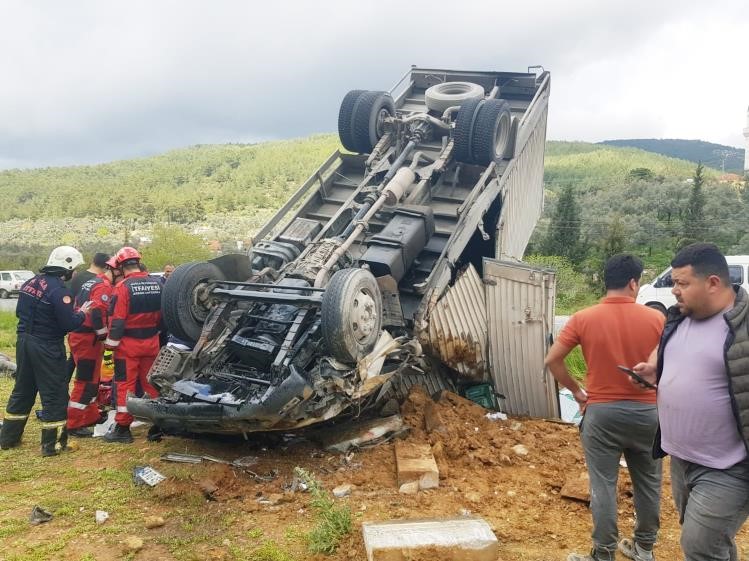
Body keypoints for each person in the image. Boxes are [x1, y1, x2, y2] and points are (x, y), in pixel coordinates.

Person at [545, 254, 665, 561]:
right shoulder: (657, 320)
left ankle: (603, 554)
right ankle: (644, 548)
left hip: (602, 414)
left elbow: (552, 361)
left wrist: (577, 392)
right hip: (649, 416)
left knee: (603, 486)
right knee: (649, 484)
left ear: (605, 281)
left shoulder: (584, 318)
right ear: (633, 282)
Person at [633, 243, 749, 561]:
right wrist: (655, 365)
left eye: (682, 283)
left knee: (699, 546)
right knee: (712, 544)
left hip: (728, 466)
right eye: (673, 283)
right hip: (682, 460)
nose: (675, 291)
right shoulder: (681, 317)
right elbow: (669, 347)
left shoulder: (743, 326)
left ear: (712, 282)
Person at [0, 246, 93, 456]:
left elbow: (19, 312)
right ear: (66, 268)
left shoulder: (30, 282)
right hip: (47, 346)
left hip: (24, 342)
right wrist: (82, 313)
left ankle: (8, 438)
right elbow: (69, 323)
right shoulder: (59, 291)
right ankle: (53, 445)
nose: (75, 273)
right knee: (55, 393)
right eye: (74, 268)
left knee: (22, 390)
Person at [103, 247, 163, 444]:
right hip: (152, 342)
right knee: (151, 383)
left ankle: (122, 428)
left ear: (120, 267)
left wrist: (110, 345)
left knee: (125, 385)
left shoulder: (122, 288)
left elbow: (117, 320)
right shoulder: (157, 284)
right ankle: (157, 425)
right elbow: (164, 316)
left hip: (128, 345)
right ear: (138, 262)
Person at [66, 256, 116, 437]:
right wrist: (103, 336)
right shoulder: (103, 286)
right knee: (85, 380)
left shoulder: (92, 282)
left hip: (83, 336)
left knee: (93, 379)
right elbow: (96, 313)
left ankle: (90, 416)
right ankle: (73, 423)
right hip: (87, 338)